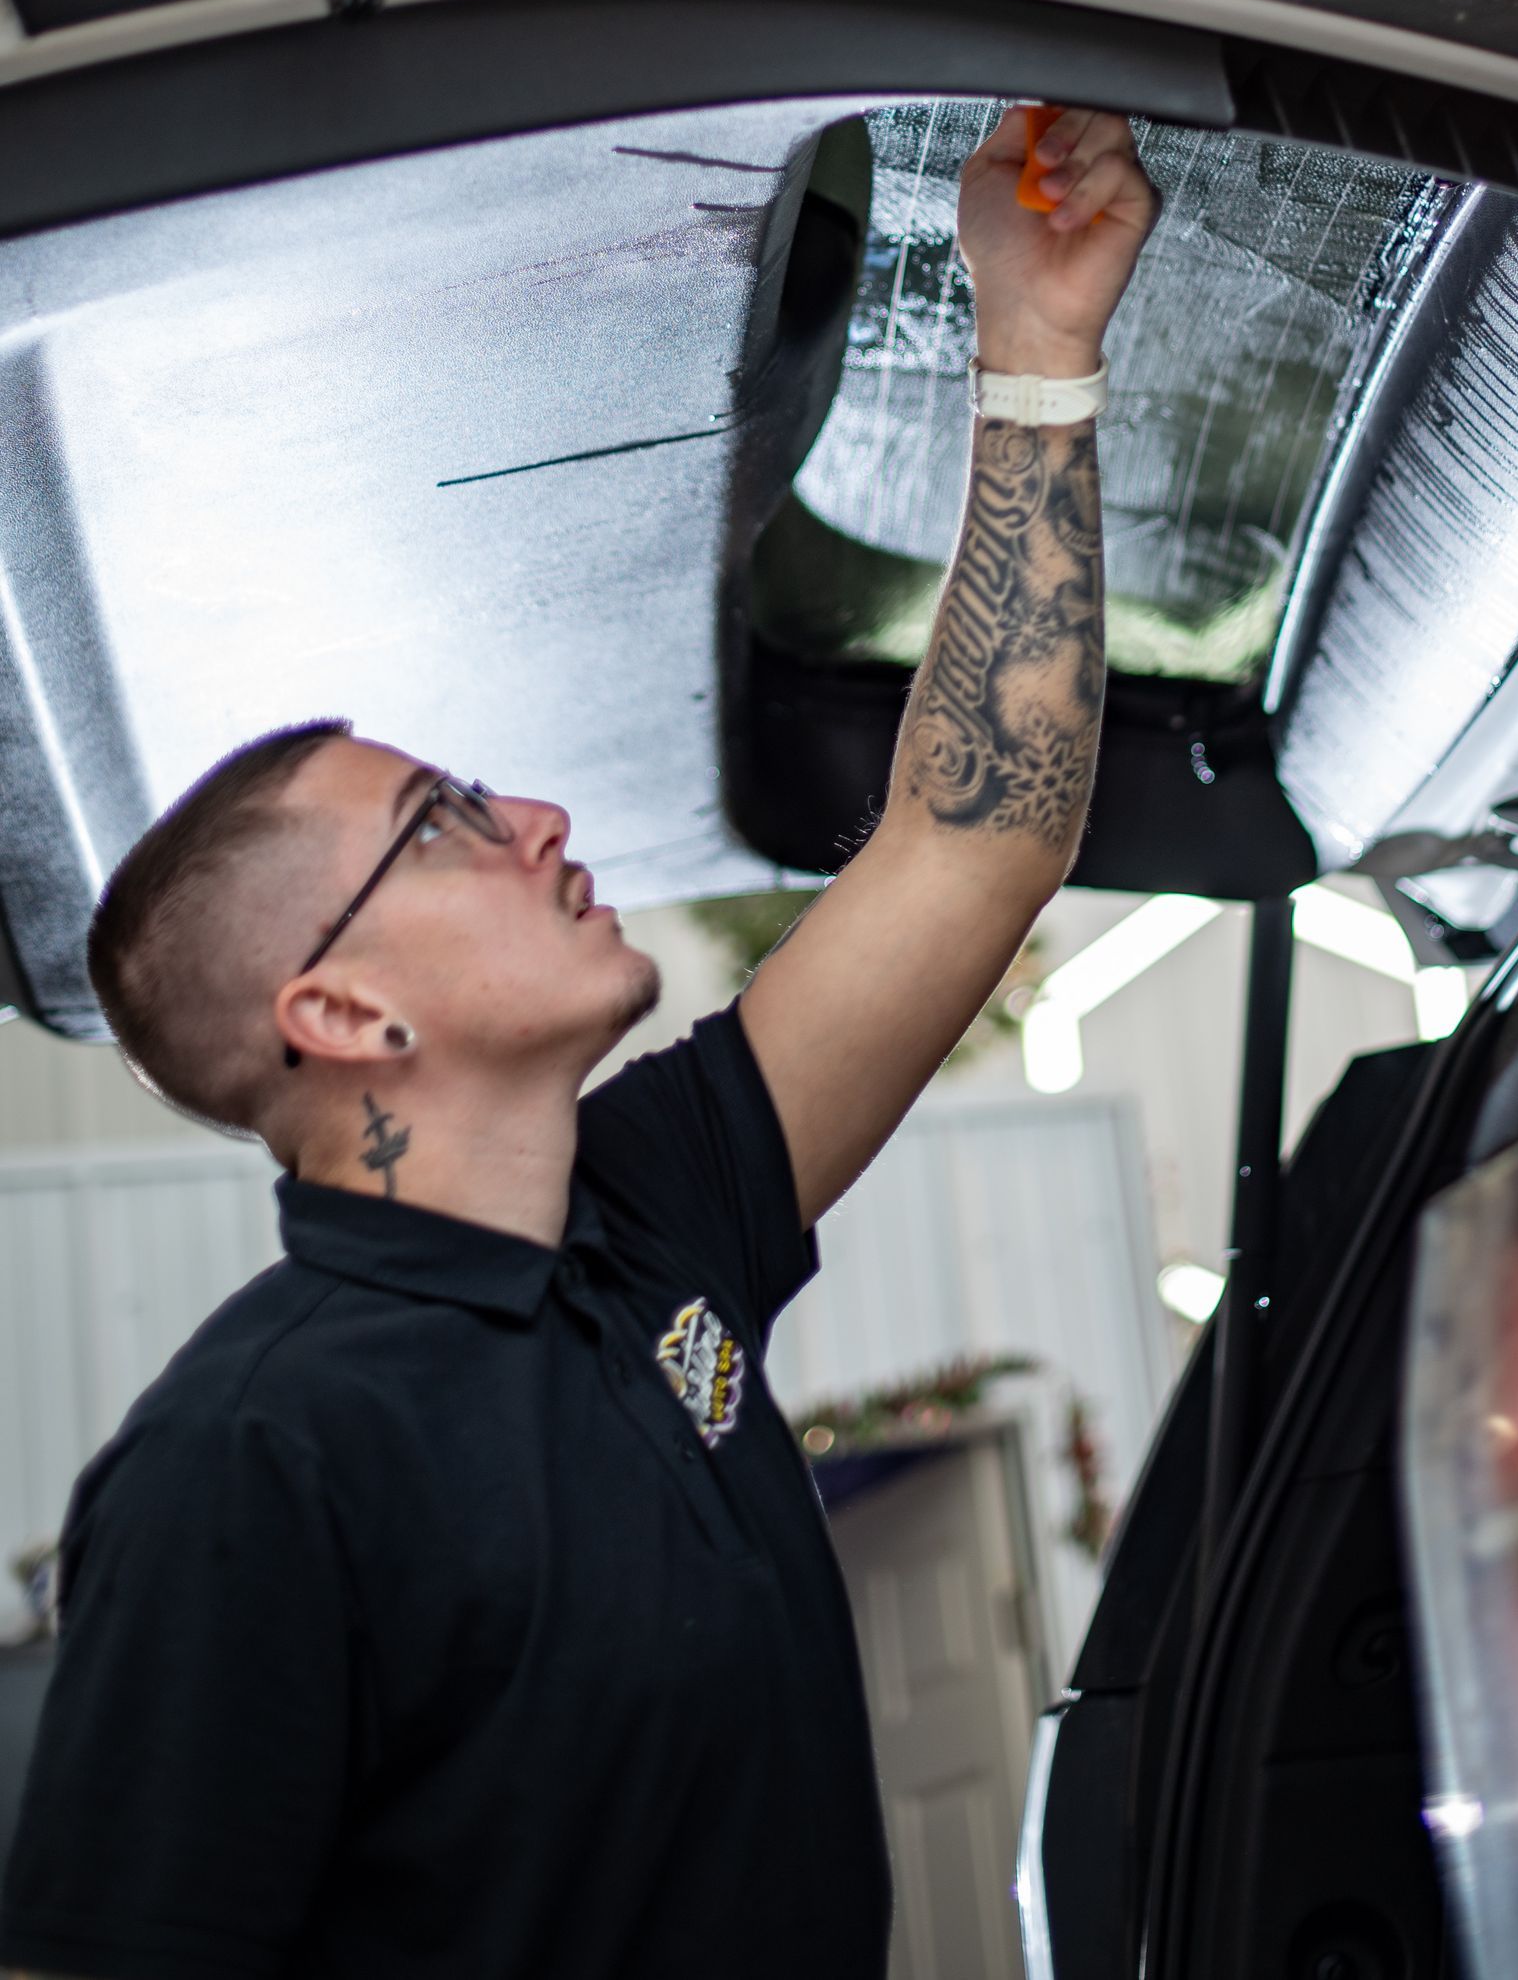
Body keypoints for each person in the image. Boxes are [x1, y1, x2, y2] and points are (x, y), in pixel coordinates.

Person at [0, 107, 1159, 1980]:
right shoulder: (252, 1461)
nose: (536, 816)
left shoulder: (654, 1215)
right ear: (342, 1015)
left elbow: (978, 838)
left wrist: (1034, 345)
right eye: (445, 822)